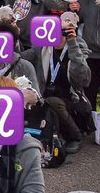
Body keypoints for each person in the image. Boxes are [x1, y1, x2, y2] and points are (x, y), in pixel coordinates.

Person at [19, 18, 92, 153]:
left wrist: (73, 43)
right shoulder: (42, 47)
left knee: (53, 102)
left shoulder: (76, 49)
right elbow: (20, 59)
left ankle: (75, 137)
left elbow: (82, 79)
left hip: (70, 98)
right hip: (44, 93)